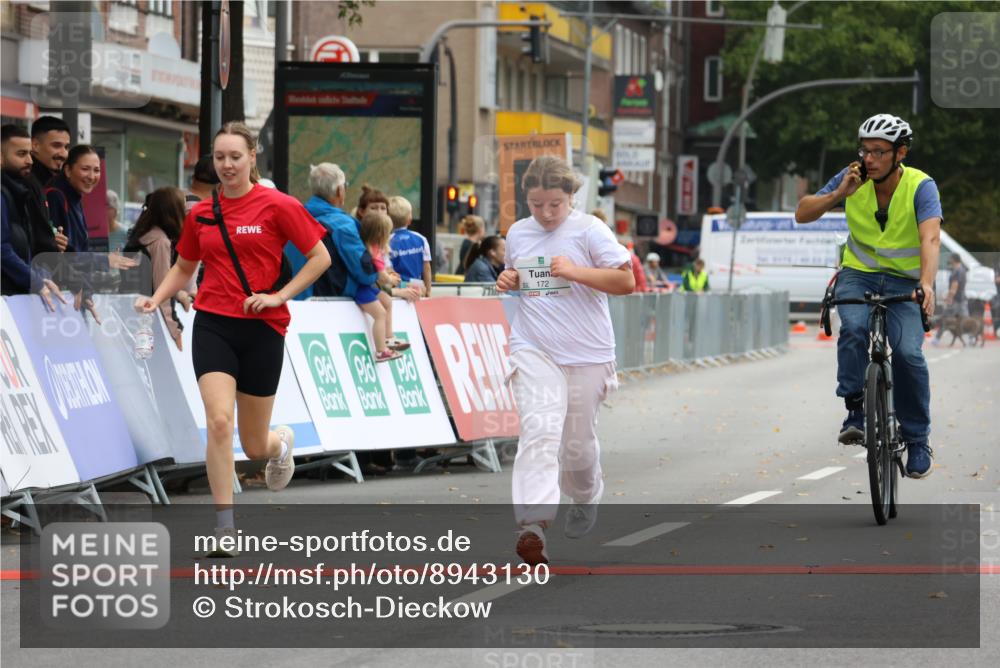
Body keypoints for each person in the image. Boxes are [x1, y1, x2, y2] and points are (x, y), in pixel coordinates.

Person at [134, 122, 331, 555]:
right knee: (220, 422)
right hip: (214, 323)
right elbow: (185, 266)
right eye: (220, 157)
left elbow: (320, 257)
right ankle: (225, 527)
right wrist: (158, 298)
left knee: (255, 443)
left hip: (263, 326)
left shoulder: (278, 205)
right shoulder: (201, 212)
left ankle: (281, 445)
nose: (226, 165)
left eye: (234, 157)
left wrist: (278, 295)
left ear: (252, 157)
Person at [495, 155, 634, 565]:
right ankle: (533, 526)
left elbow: (625, 281)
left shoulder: (590, 230)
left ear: (572, 196)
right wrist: (509, 280)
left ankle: (587, 494)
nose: (546, 213)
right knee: (539, 431)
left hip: (587, 351)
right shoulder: (519, 232)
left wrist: (575, 271)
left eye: (554, 204)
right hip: (534, 345)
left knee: (578, 445)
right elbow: (517, 278)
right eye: (537, 204)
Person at [795, 113, 939, 479]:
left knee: (908, 354)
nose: (869, 158)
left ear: (900, 153)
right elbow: (802, 213)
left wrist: (927, 283)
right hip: (858, 275)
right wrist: (840, 193)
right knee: (854, 328)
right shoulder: (852, 178)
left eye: (879, 152)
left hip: (905, 281)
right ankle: (855, 408)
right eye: (865, 150)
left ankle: (917, 439)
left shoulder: (922, 187)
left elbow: (930, 238)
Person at [122, 187, 188, 350]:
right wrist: (175, 329)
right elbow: (162, 288)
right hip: (147, 320)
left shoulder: (142, 234)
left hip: (128, 312)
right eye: (183, 207)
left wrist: (178, 293)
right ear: (174, 210)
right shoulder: (159, 241)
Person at [1, 124, 66, 259]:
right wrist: (34, 277)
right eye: (21, 154)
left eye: (29, 154)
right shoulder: (23, 189)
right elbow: (4, 250)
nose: (30, 161)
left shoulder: (21, 190)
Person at [358, 209, 410, 362]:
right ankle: (381, 350)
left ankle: (388, 337)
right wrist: (391, 280)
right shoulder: (372, 250)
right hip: (362, 289)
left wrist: (388, 277)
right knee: (380, 314)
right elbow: (381, 276)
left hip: (369, 287)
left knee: (387, 301)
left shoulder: (374, 248)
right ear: (380, 234)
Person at [45, 144, 101, 253]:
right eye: (85, 169)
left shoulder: (75, 196)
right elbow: (66, 253)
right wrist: (105, 261)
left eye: (96, 170)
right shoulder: (55, 196)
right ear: (68, 170)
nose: (91, 176)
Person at [388, 195, 432, 296]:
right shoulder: (421, 239)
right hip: (418, 288)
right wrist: (428, 291)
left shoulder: (387, 242)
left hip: (399, 290)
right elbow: (427, 267)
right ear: (410, 219)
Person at [933, 253, 968, 345]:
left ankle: (936, 339)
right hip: (962, 299)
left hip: (955, 301)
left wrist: (949, 297)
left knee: (945, 319)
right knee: (965, 320)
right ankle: (972, 338)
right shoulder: (962, 270)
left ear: (954, 260)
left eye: (950, 259)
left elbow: (954, 286)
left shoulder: (957, 271)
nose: (949, 260)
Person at [30, 115, 71, 187]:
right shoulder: (23, 183)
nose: (64, 154)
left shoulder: (63, 180)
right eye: (56, 145)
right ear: (35, 145)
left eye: (66, 147)